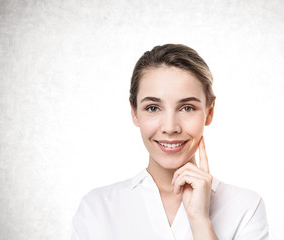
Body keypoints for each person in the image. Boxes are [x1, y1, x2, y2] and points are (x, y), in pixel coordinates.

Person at [72, 44, 269, 240]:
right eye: (153, 108)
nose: (170, 127)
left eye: (187, 108)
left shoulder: (246, 207)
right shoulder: (96, 209)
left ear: (209, 112)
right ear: (134, 113)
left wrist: (200, 221)